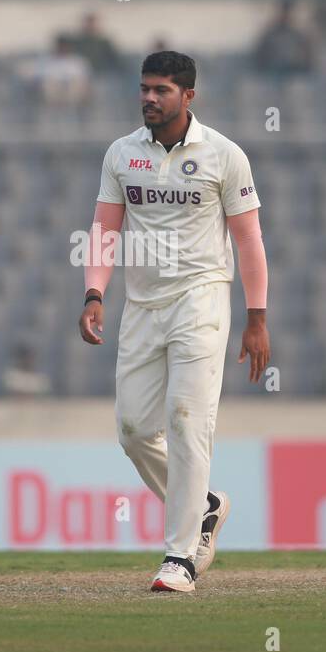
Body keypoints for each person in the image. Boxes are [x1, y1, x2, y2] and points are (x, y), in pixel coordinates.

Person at [78, 51, 270, 593]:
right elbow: (105, 229)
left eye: (161, 90)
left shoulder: (224, 155)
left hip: (201, 301)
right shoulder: (122, 153)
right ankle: (204, 505)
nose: (149, 98)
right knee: (135, 431)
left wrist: (257, 317)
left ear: (188, 96)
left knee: (187, 422)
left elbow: (249, 240)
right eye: (144, 88)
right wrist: (94, 293)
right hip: (143, 306)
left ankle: (179, 559)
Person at [252, 0, 314, 76]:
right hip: (272, 73)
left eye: (289, 12)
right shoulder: (270, 34)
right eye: (283, 11)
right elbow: (260, 56)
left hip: (293, 73)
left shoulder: (299, 35)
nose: (286, 15)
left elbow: (308, 59)